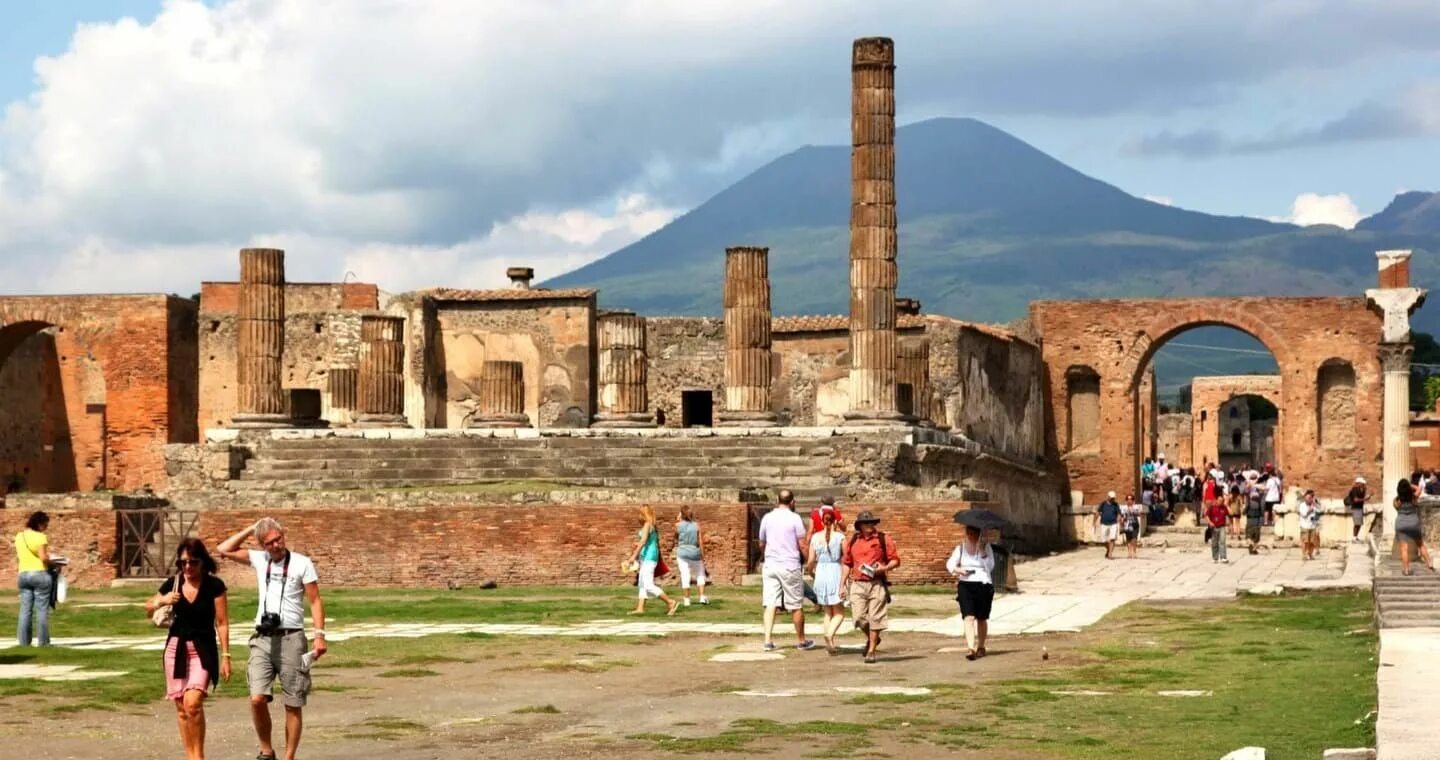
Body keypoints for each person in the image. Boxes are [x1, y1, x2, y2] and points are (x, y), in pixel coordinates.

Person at [217, 518, 327, 760]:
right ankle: (266, 750)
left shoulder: (301, 563)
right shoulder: (259, 559)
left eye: (278, 539)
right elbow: (223, 549)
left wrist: (319, 635)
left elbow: (315, 600)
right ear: (262, 545)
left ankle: (289, 756)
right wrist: (251, 527)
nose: (276, 545)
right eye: (269, 543)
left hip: (292, 637)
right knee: (257, 698)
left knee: (293, 702)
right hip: (263, 638)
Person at [145, 539, 231, 760]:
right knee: (182, 709)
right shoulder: (173, 583)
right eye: (183, 563)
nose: (188, 567)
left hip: (203, 649)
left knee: (193, 703)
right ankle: (190, 756)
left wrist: (226, 655)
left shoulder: (215, 586)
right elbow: (147, 608)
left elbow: (222, 622)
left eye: (193, 562)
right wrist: (162, 601)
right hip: (176, 649)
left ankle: (198, 756)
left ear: (203, 562)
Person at [758, 490, 812, 651]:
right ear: (792, 502)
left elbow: (762, 542)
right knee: (795, 604)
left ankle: (767, 640)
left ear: (777, 500)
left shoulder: (767, 518)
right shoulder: (794, 518)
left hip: (771, 565)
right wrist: (809, 562)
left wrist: (765, 556)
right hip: (789, 564)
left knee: (770, 603)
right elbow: (802, 544)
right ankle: (801, 640)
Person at [842, 511, 899, 664]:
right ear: (859, 525)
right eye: (866, 523)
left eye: (871, 522)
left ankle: (872, 650)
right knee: (859, 617)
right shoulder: (853, 540)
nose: (869, 525)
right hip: (857, 583)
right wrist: (842, 584)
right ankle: (873, 637)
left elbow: (895, 560)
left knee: (876, 617)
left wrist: (884, 568)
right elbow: (847, 563)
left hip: (876, 582)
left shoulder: (883, 538)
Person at [947, 525, 994, 660]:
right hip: (966, 584)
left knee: (981, 618)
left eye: (974, 533)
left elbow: (990, 566)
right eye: (969, 533)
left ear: (979, 533)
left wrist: (982, 552)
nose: (971, 536)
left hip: (983, 584)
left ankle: (981, 646)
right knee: (968, 617)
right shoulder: (960, 548)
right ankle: (971, 648)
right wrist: (958, 570)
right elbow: (950, 564)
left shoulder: (986, 547)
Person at [805, 506, 847, 653]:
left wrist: (811, 572)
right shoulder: (841, 538)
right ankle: (829, 635)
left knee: (828, 611)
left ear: (822, 522)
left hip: (821, 572)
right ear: (835, 521)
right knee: (839, 612)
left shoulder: (815, 538)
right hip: (834, 571)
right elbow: (847, 559)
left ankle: (829, 642)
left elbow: (810, 560)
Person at [625, 506, 679, 616]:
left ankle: (670, 602)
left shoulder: (647, 525)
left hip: (649, 557)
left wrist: (633, 556)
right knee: (642, 583)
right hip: (647, 557)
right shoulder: (652, 526)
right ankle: (640, 608)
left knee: (648, 584)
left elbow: (643, 541)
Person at [14, 510, 56, 647]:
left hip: (23, 574)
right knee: (42, 609)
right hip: (39, 574)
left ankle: (24, 642)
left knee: (25, 609)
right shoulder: (40, 537)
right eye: (45, 525)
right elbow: (43, 557)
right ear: (39, 524)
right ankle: (43, 642)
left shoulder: (19, 536)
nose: (46, 528)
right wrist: (54, 563)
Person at [1394, 479, 1435, 576]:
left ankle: (1406, 569)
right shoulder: (1414, 498)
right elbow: (1419, 488)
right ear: (1408, 488)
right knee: (1420, 544)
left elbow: (1396, 508)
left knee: (1404, 548)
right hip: (1413, 523)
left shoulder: (1396, 500)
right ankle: (1429, 563)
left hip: (1401, 524)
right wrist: (1410, 485)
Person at [674, 507, 708, 606]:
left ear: (681, 514)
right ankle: (702, 597)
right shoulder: (696, 525)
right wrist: (702, 554)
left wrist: (678, 520)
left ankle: (687, 600)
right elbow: (700, 541)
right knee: (700, 573)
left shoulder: (677, 525)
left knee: (685, 575)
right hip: (695, 551)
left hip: (682, 552)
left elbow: (676, 538)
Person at [1094, 491, 1121, 559]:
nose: (1112, 499)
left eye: (1113, 498)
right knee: (1103, 540)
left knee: (1112, 539)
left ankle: (1110, 554)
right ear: (1108, 497)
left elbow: (1119, 513)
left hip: (1113, 523)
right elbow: (1098, 512)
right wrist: (1094, 521)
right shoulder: (1103, 504)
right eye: (1111, 498)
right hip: (1104, 523)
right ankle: (1108, 549)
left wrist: (1118, 520)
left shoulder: (1116, 504)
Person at [1297, 490, 1321, 561]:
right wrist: (1309, 510)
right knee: (1305, 541)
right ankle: (1304, 554)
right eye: (1306, 498)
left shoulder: (1315, 505)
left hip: (1312, 526)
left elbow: (1319, 512)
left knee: (1312, 542)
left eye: (1309, 498)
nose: (1307, 500)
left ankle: (1310, 554)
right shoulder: (1302, 505)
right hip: (1304, 526)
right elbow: (1303, 514)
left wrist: (1315, 505)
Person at [1205, 496, 1230, 563]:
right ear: (1217, 500)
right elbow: (1207, 516)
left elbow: (1227, 515)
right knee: (1214, 543)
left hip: (1222, 526)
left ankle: (1223, 557)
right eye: (1219, 500)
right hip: (1214, 527)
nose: (1220, 502)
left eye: (1222, 501)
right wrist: (1210, 522)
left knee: (1222, 541)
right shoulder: (1212, 507)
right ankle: (1215, 557)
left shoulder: (1224, 507)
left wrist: (1228, 521)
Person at [1244, 479, 1266, 554]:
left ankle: (1251, 547)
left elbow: (1244, 512)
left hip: (1250, 522)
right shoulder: (1260, 504)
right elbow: (1261, 513)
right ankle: (1253, 549)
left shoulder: (1249, 504)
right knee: (1256, 538)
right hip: (1257, 523)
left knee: (1248, 537)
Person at [1347, 476, 1368, 543]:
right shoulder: (1354, 490)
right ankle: (1354, 537)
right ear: (1358, 483)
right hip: (1355, 508)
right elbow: (1356, 500)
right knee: (1357, 523)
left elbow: (1362, 498)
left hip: (1360, 508)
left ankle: (1356, 537)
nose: (1363, 485)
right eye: (1362, 483)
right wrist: (1365, 499)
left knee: (1359, 523)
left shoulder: (1362, 490)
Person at [1122, 493, 1142, 559]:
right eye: (1128, 499)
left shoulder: (1136, 507)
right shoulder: (1124, 508)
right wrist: (1122, 521)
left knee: (1134, 539)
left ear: (1133, 500)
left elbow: (1139, 514)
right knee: (1128, 539)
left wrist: (1134, 512)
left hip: (1134, 524)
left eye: (1131, 499)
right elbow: (1122, 516)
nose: (1129, 501)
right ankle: (1129, 552)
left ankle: (1134, 551)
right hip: (1127, 525)